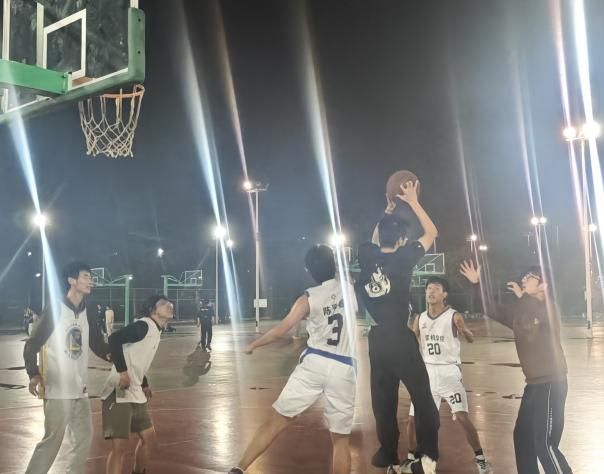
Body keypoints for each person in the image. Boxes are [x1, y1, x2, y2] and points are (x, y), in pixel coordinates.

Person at [228, 244, 358, 474]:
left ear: (309, 271)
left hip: (315, 364)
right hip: (343, 367)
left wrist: (254, 344)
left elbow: (282, 330)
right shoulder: (349, 288)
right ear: (334, 265)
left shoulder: (308, 298)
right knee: (340, 440)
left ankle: (239, 468)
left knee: (276, 420)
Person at [356, 180, 439, 474]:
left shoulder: (367, 256)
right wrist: (413, 201)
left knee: (383, 401)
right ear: (402, 240)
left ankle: (389, 454)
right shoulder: (404, 258)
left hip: (377, 340)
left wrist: (387, 211)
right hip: (400, 338)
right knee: (422, 397)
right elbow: (432, 233)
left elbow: (374, 239)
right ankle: (428, 457)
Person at [460, 261, 572, 474]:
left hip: (551, 382)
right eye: (525, 276)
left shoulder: (549, 308)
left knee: (545, 444)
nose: (524, 279)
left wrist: (523, 297)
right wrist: (477, 284)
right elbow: (491, 309)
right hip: (534, 385)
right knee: (522, 437)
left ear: (544, 285)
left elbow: (537, 313)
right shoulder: (522, 309)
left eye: (530, 277)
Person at [23, 262, 110, 474]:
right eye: (86, 276)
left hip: (80, 388)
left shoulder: (89, 310)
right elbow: (32, 344)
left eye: (91, 277)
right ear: (72, 280)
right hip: (57, 388)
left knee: (84, 438)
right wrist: (33, 373)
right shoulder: (56, 308)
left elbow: (96, 343)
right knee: (52, 441)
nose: (90, 281)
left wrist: (115, 356)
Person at [405, 276, 491, 474]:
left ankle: (481, 460)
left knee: (461, 417)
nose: (431, 291)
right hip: (427, 373)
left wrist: (465, 331)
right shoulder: (420, 318)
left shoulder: (454, 316)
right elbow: (412, 342)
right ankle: (410, 459)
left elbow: (470, 338)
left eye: (436, 288)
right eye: (428, 288)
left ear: (444, 294)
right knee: (413, 419)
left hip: (449, 373)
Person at [100, 294, 174, 474]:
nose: (169, 305)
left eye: (170, 303)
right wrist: (123, 372)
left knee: (149, 439)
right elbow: (114, 339)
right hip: (119, 391)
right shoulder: (144, 326)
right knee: (119, 448)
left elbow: (136, 358)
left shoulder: (156, 330)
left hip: (135, 391)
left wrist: (144, 382)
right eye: (163, 304)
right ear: (152, 310)